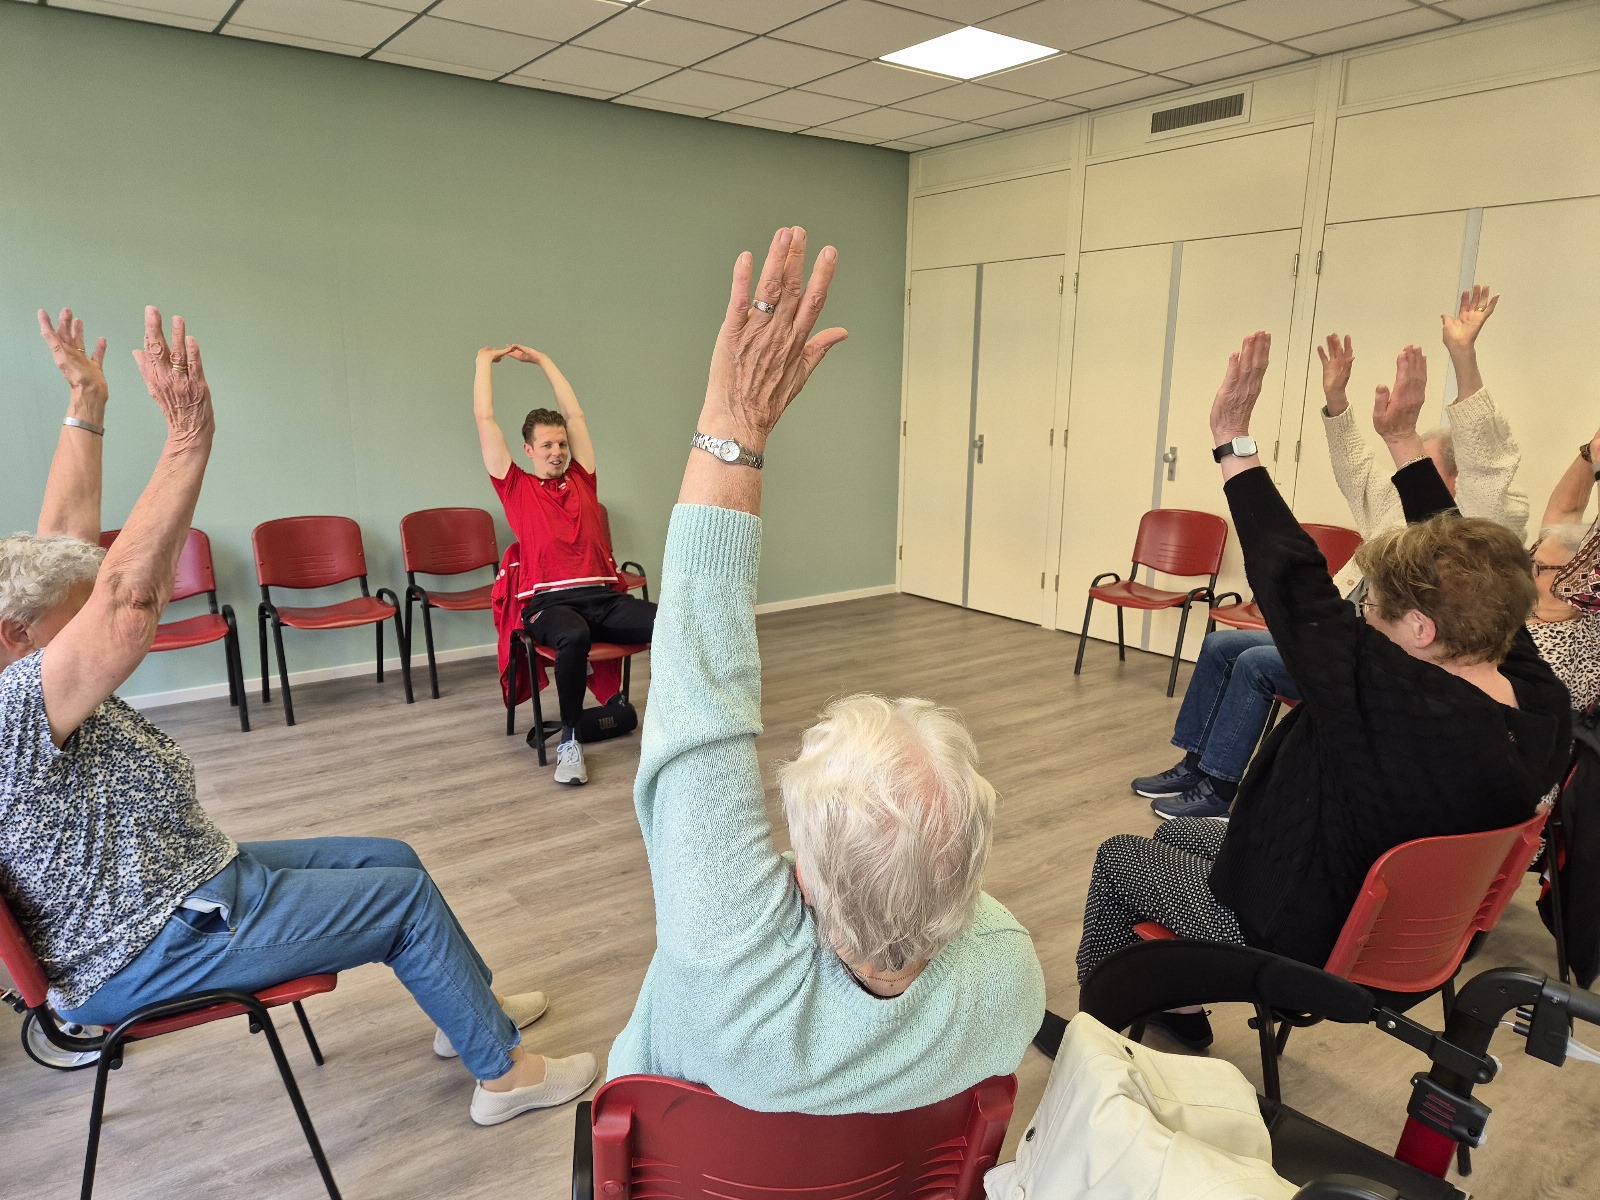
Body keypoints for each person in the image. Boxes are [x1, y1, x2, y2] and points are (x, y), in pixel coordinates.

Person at [1, 307, 594, 1127]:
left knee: (392, 858)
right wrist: (188, 441)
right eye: (76, 612)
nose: (87, 614)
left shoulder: (21, 653)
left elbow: (60, 555)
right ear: (19, 635)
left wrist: (87, 406)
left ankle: (470, 1012)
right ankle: (506, 1076)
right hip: (149, 941)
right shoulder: (13, 708)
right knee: (400, 902)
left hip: (188, 883)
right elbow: (125, 603)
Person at [605, 227, 1045, 1113]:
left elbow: (697, 687)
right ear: (967, 888)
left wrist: (735, 425)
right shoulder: (1009, 983)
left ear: (800, 880)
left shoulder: (725, 959)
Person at [1075, 331, 1570, 1050]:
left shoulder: (1391, 703)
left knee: (1124, 857)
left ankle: (1097, 1021)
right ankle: (1178, 1001)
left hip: (1304, 937)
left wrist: (1233, 441)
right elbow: (1469, 563)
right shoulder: (1537, 698)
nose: (1365, 621)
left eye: (1378, 614)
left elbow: (1292, 578)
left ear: (1422, 630)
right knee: (1181, 832)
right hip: (1398, 926)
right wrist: (1404, 444)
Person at [1134, 285, 1528, 821]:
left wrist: (1464, 358)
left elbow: (1490, 464)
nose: (1406, 467)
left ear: (1456, 479)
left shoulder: (1483, 529)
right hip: (1350, 638)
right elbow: (1355, 472)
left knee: (1255, 662)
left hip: (1394, 667)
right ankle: (1196, 763)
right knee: (1224, 645)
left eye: (1421, 460)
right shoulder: (1396, 507)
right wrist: (1337, 403)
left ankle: (1222, 789)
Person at [473, 343, 655, 786]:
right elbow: (485, 420)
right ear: (528, 450)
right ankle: (570, 740)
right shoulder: (515, 487)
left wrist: (544, 362)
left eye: (561, 443)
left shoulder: (583, 479)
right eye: (547, 445)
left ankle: (677, 724)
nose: (557, 451)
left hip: (603, 600)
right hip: (550, 606)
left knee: (673, 623)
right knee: (572, 636)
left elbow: (576, 416)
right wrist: (483, 363)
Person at [1527, 424, 1600, 710]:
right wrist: (1589, 453)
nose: (1529, 572)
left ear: (1574, 578)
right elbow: (1565, 511)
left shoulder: (1582, 635)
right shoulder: (1526, 616)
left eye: (1538, 567)